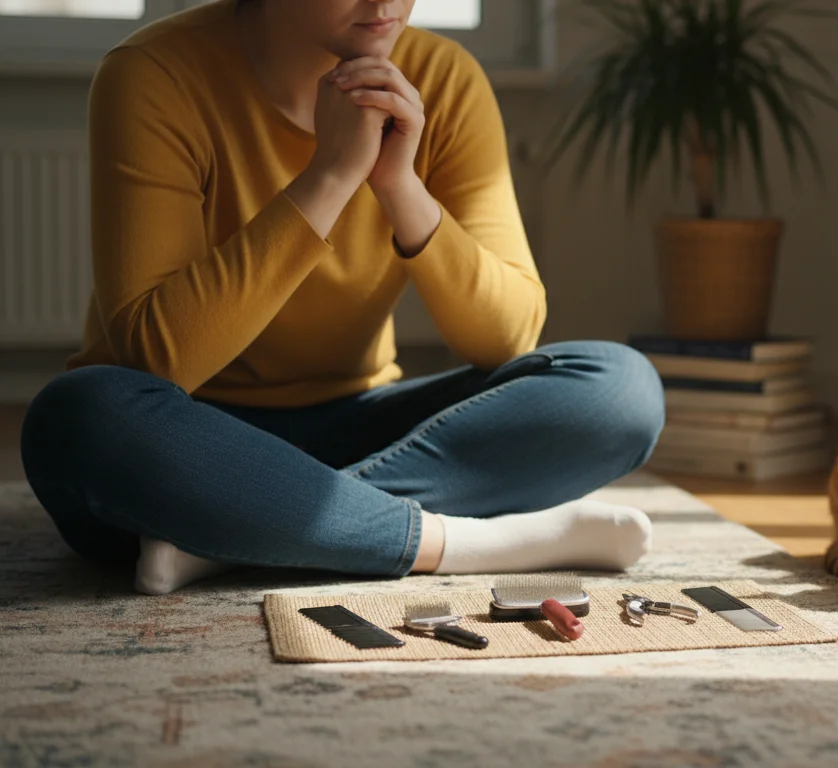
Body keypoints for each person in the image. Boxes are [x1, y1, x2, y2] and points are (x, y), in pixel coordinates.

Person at [18, 0, 665, 595]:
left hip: (365, 431)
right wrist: (331, 175)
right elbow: (159, 358)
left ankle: (236, 537)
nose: (385, 3)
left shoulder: (446, 79)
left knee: (619, 389)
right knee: (76, 417)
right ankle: (452, 541)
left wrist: (399, 186)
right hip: (189, 440)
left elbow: (505, 338)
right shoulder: (153, 75)